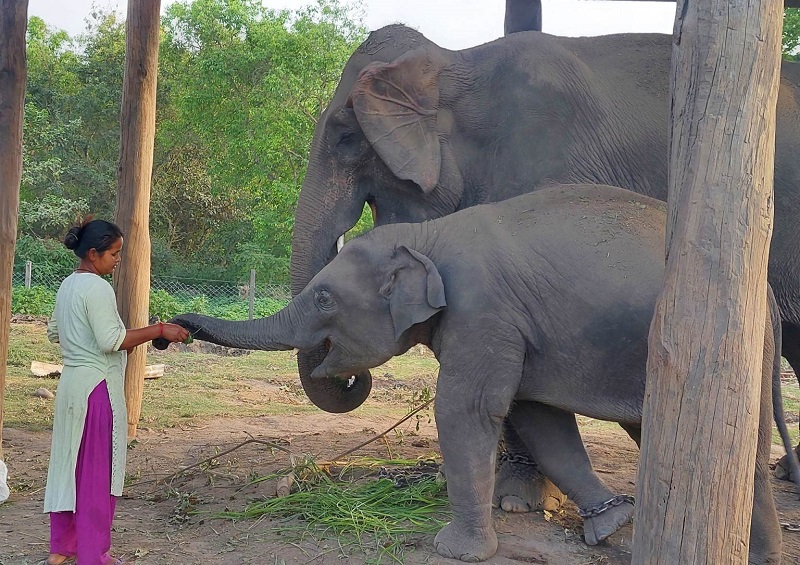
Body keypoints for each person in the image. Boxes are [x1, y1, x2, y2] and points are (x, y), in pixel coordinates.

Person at [43, 218, 189, 565]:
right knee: (95, 475)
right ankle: (93, 555)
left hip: (71, 387)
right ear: (93, 254)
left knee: (68, 468)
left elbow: (53, 332)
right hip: (96, 391)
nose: (118, 259)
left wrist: (80, 342)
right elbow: (112, 341)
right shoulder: (97, 288)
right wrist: (159, 329)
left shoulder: (68, 285)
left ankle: (62, 549)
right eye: (113, 253)